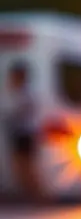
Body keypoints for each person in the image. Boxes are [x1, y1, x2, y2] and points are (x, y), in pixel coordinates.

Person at [3, 62, 41, 202]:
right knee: (20, 166)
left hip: (24, 134)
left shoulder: (25, 93)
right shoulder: (18, 92)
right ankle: (31, 196)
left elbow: (18, 113)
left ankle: (38, 197)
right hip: (19, 134)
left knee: (26, 167)